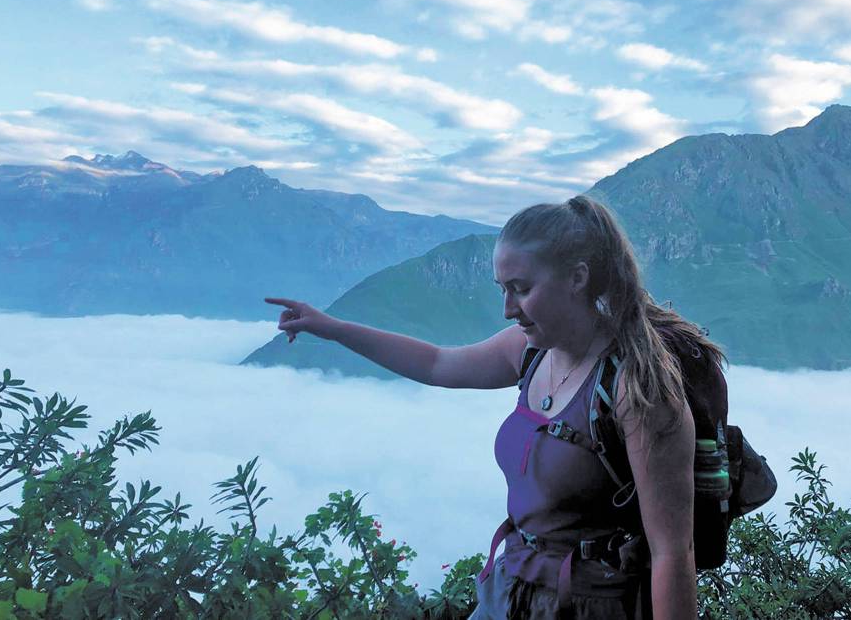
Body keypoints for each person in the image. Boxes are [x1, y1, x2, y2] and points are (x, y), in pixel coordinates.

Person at [266, 195, 727, 619]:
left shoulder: (638, 389)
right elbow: (436, 363)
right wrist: (333, 328)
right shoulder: (529, 353)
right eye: (501, 288)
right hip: (510, 589)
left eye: (521, 288)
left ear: (577, 278)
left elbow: (673, 553)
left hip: (588, 605)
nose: (508, 308)